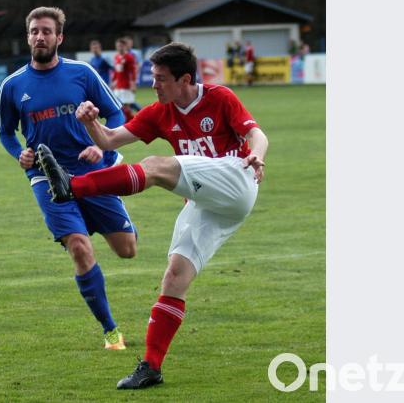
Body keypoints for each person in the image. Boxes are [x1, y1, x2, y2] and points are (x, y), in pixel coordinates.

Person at [36, 42, 268, 389]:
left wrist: (258, 155)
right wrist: (90, 123)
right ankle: (151, 367)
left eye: (160, 79)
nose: (154, 85)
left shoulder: (219, 97)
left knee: (157, 167)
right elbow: (111, 139)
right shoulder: (160, 111)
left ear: (184, 78)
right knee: (175, 275)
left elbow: (255, 133)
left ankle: (73, 187)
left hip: (237, 178)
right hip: (206, 202)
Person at [0, 6, 138, 351]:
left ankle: (99, 219)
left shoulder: (82, 73)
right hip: (47, 177)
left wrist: (100, 147)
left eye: (46, 31)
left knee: (127, 250)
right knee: (78, 247)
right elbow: (5, 132)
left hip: (92, 170)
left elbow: (117, 111)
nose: (39, 37)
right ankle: (110, 331)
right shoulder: (12, 85)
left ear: (59, 37)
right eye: (34, 31)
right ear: (27, 36)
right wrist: (20, 155)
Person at [112, 37, 138, 121]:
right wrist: (113, 82)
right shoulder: (116, 57)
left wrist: (133, 84)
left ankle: (132, 123)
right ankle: (128, 123)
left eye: (121, 46)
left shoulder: (129, 57)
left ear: (125, 46)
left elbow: (133, 71)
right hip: (118, 86)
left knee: (126, 107)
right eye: (118, 46)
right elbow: (116, 71)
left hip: (126, 86)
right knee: (119, 106)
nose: (119, 48)